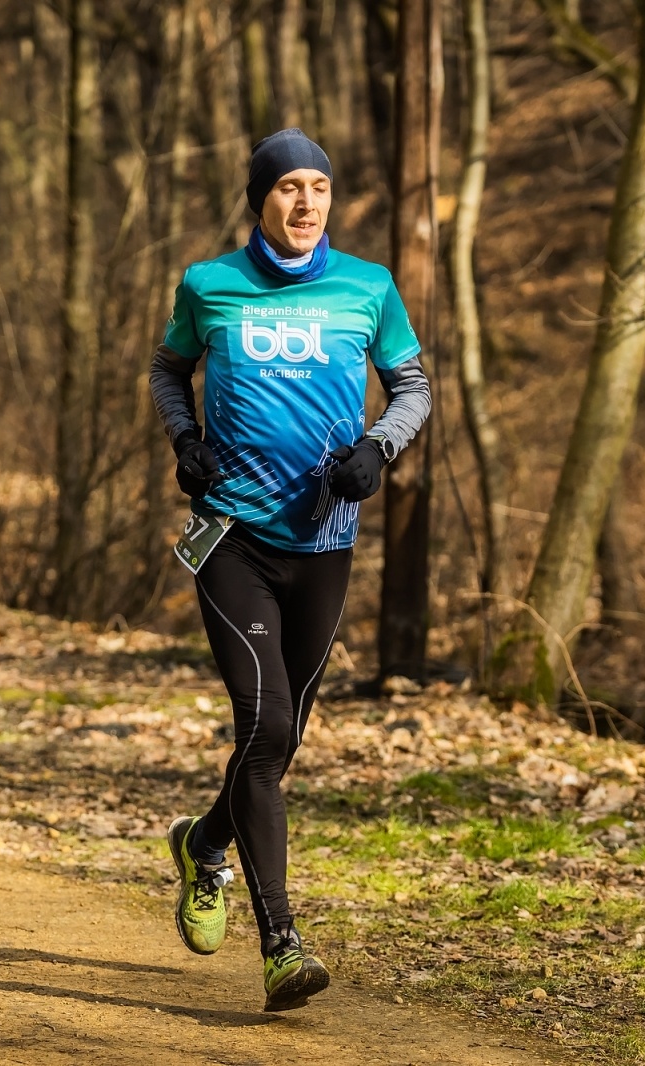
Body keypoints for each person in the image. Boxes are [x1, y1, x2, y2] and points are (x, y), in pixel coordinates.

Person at [148, 128, 431, 1011]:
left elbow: (413, 387)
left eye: (320, 187)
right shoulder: (209, 285)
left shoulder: (369, 287)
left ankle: (201, 843)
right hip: (232, 536)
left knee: (284, 738)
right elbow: (168, 369)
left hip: (325, 542)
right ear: (259, 199)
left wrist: (378, 450)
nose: (306, 203)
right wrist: (185, 438)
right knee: (265, 730)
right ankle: (280, 942)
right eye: (288, 189)